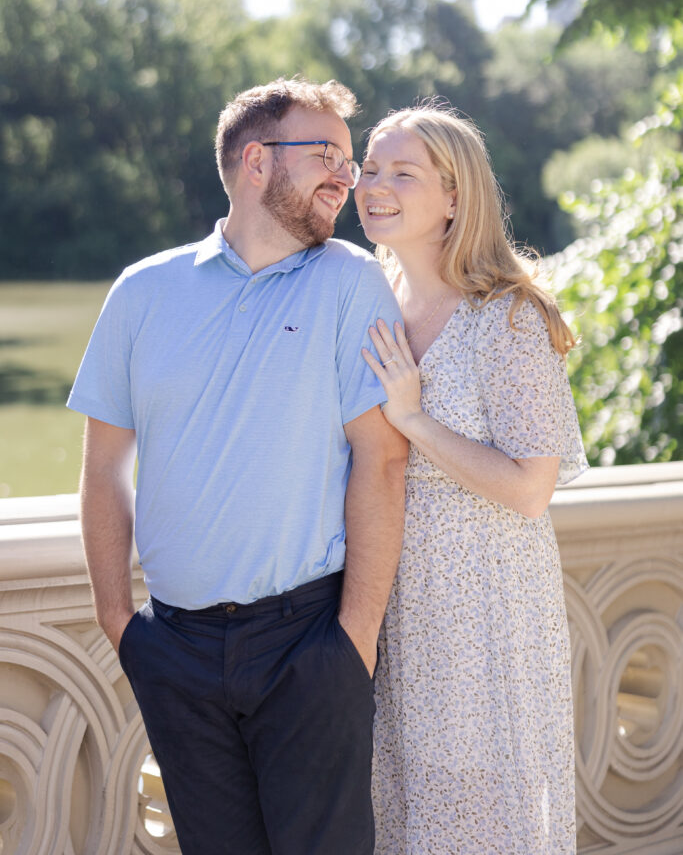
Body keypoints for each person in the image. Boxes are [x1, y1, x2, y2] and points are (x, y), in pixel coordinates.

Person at [67, 77, 408, 855]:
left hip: (308, 643)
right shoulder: (142, 292)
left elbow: (380, 463)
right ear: (256, 161)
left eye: (348, 162)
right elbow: (103, 473)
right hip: (175, 650)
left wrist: (352, 638)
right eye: (325, 155)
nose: (344, 179)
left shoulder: (352, 282)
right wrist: (120, 623)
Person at [354, 103, 588, 855]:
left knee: (487, 814)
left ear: (454, 197)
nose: (374, 185)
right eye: (368, 169)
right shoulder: (366, 299)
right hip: (393, 600)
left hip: (486, 609)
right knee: (406, 811)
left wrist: (415, 421)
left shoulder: (506, 316)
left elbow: (529, 488)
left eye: (401, 172)